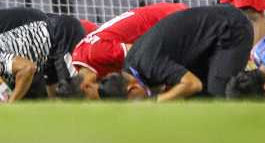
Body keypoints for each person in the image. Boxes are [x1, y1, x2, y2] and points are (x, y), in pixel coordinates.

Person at [98, 5, 254, 101]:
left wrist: (156, 102)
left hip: (230, 30)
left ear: (132, 89)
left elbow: (193, 84)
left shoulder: (148, 65)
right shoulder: (132, 65)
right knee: (198, 101)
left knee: (217, 99)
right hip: (208, 42)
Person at [71, 3, 187, 99]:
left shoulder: (96, 53)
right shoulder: (80, 57)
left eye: (90, 101)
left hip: (171, 19)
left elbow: (143, 53)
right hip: (165, 22)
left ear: (86, 86)